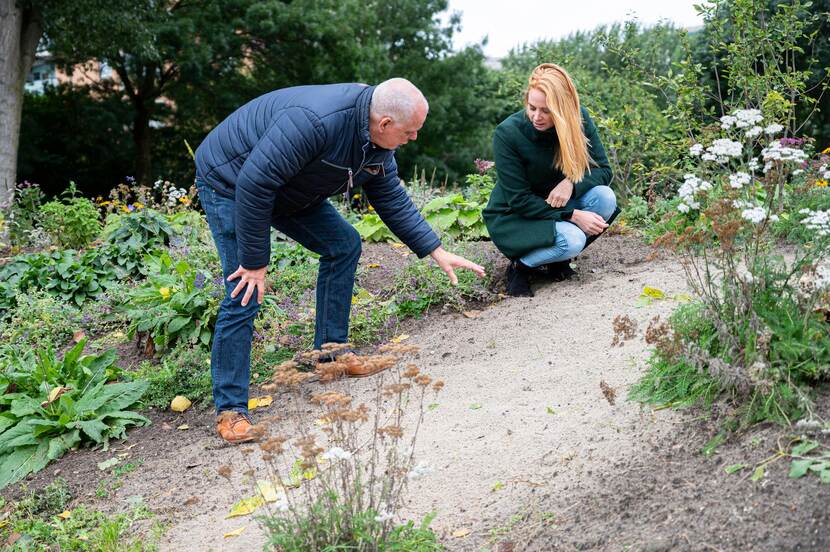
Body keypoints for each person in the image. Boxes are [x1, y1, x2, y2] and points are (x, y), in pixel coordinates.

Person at [194, 78, 485, 443]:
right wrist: (254, 262)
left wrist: (435, 249)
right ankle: (231, 410)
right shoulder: (315, 121)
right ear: (384, 124)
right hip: (231, 182)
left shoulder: (374, 139)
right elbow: (255, 183)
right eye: (410, 132)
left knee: (343, 244)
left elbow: (389, 195)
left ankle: (331, 355)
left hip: (288, 186)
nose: (414, 139)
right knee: (244, 288)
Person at [483, 63, 619, 297]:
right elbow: (519, 200)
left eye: (546, 110)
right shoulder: (507, 134)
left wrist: (570, 184)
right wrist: (574, 214)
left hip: (556, 205)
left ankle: (557, 261)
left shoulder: (579, 118)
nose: (537, 116)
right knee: (574, 239)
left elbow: (604, 170)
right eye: (532, 107)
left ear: (562, 108)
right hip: (516, 215)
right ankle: (521, 266)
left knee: (605, 198)